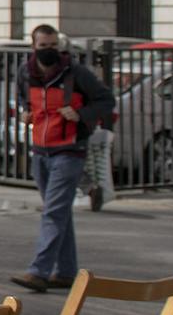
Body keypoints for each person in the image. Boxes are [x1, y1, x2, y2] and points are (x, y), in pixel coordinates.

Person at [12, 24, 114, 292]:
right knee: (59, 213)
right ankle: (67, 272)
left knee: (53, 212)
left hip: (69, 151)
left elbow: (106, 101)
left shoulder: (76, 73)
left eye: (53, 46)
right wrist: (25, 113)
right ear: (33, 47)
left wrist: (81, 115)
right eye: (43, 46)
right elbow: (24, 100)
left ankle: (39, 271)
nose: (49, 51)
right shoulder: (26, 72)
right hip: (40, 151)